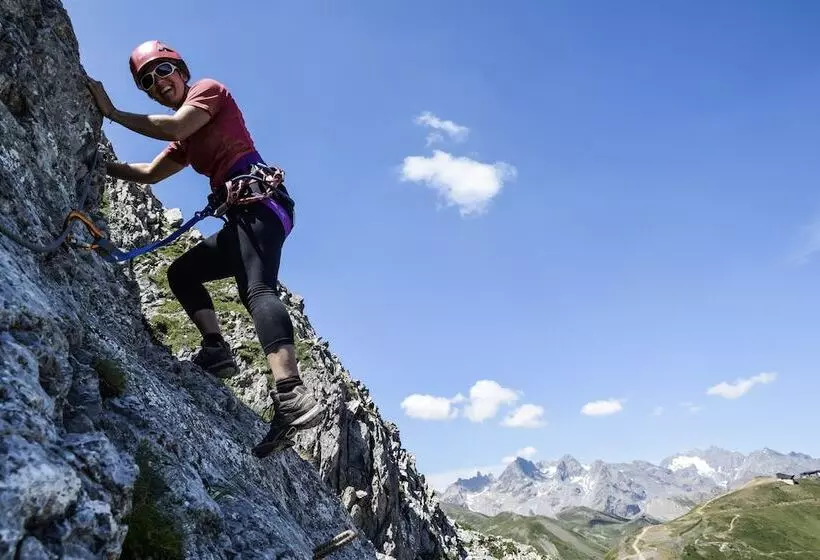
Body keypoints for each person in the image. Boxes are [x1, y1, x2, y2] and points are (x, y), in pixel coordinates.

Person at [86, 40, 322, 457]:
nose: (158, 82)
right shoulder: (186, 141)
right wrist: (96, 163)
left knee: (257, 290)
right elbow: (149, 173)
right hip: (244, 216)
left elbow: (176, 126)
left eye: (163, 71)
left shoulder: (209, 91)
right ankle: (216, 350)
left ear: (181, 71)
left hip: (260, 204)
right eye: (147, 81)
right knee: (182, 273)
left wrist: (113, 113)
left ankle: (291, 391)